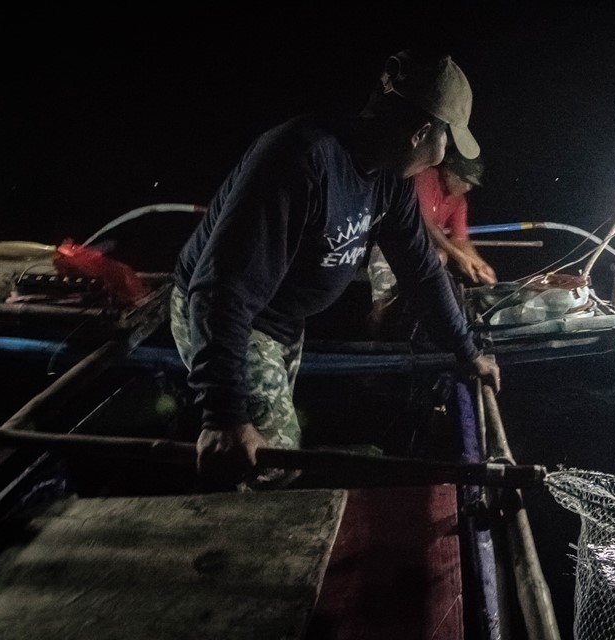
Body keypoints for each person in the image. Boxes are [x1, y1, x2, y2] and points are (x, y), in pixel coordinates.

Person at [170, 50, 501, 487]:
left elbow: (420, 270)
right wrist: (223, 414)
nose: (443, 158)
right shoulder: (301, 159)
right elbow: (219, 291)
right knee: (274, 459)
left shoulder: (389, 181)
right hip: (233, 318)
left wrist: (466, 352)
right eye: (447, 141)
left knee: (263, 454)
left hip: (282, 321)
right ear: (423, 133)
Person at [367, 148, 496, 331]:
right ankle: (376, 332)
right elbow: (426, 224)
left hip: (422, 249)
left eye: (471, 184)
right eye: (465, 181)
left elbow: (460, 238)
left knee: (440, 259)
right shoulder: (426, 177)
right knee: (383, 306)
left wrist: (478, 263)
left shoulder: (459, 201)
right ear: (449, 172)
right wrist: (460, 258)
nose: (468, 188)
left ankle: (418, 325)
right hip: (394, 243)